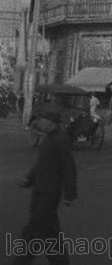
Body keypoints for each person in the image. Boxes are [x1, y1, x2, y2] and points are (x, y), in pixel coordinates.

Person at [12, 109, 77, 264]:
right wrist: (29, 179)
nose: (40, 123)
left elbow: (69, 167)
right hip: (41, 189)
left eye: (43, 120)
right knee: (50, 232)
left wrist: (70, 194)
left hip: (49, 192)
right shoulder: (50, 138)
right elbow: (41, 164)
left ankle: (21, 261)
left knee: (32, 231)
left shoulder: (60, 140)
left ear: (51, 123)